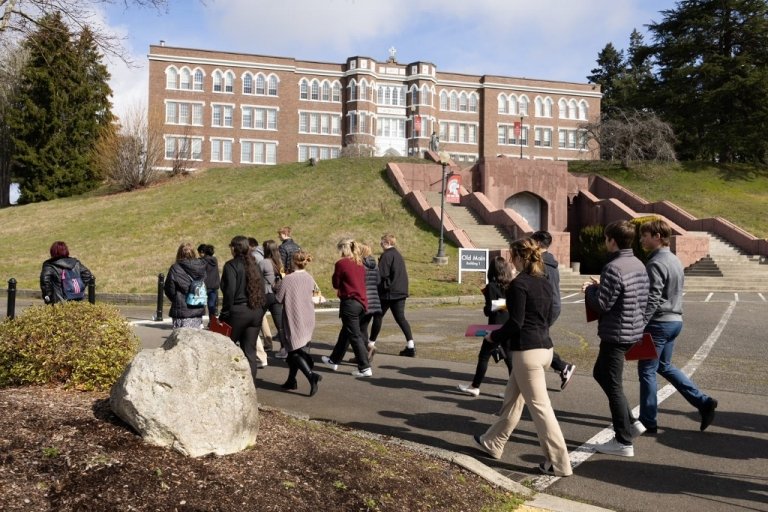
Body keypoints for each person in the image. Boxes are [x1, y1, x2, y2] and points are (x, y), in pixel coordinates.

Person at [473, 239, 572, 477]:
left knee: (541, 409)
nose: (509, 261)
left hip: (526, 353)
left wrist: (492, 338)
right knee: (512, 400)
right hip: (545, 349)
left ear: (518, 258)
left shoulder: (519, 285)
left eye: (511, 256)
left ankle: (559, 463)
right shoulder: (545, 283)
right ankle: (493, 442)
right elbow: (547, 316)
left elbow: (515, 323)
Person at [636, 219, 718, 434]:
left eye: (645, 235)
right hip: (674, 321)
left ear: (657, 236)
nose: (641, 239)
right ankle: (703, 402)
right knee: (664, 366)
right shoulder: (673, 259)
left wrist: (640, 323)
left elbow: (652, 297)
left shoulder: (655, 263)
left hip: (658, 323)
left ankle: (648, 420)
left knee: (647, 371)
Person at [582, 220, 649, 457]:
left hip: (616, 333)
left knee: (613, 384)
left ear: (612, 240)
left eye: (606, 238)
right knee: (600, 373)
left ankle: (623, 440)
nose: (604, 242)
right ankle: (631, 422)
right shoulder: (638, 263)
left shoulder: (613, 267)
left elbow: (602, 304)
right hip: (632, 331)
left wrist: (589, 290)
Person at [457, 256, 514, 397]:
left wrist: (486, 309)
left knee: (484, 356)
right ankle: (514, 391)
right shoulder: (512, 285)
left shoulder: (491, 287)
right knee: (509, 358)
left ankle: (475, 386)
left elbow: (490, 309)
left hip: (495, 327)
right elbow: (512, 304)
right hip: (510, 324)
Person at [531, 231, 577, 390]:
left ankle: (562, 367)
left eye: (531, 242)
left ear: (537, 243)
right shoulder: (550, 262)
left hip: (547, 308)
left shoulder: (541, 263)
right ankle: (561, 367)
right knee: (537, 340)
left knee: (535, 340)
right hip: (552, 306)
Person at [220, 235, 268, 386]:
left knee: (226, 349)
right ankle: (251, 387)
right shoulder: (254, 265)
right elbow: (262, 289)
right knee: (250, 352)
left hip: (237, 312)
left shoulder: (231, 266)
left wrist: (224, 314)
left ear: (234, 248)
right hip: (255, 311)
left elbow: (229, 292)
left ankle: (227, 383)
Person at [321, 238, 372, 377]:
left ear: (343, 248)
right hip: (361, 302)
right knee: (346, 333)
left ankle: (364, 367)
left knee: (355, 336)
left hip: (350, 303)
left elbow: (336, 283)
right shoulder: (360, 263)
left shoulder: (341, 263)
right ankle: (333, 360)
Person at [276, 250, 322, 396]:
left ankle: (311, 376)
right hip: (308, 317)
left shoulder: (288, 279)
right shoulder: (309, 277)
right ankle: (291, 380)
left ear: (293, 262)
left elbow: (278, 298)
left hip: (294, 318)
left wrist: (275, 285)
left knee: (294, 352)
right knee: (297, 351)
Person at [369, 233, 416, 357]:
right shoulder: (398, 255)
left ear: (387, 242)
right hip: (400, 291)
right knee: (401, 318)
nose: (380, 244)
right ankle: (410, 346)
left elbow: (382, 275)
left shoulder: (386, 255)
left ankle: (370, 344)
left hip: (388, 292)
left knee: (378, 317)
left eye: (382, 241)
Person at [164, 242, 207, 329]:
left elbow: (169, 289)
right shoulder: (201, 267)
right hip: (198, 307)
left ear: (179, 253)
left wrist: (175, 299)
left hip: (181, 309)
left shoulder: (175, 268)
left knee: (180, 339)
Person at [260, 239, 286, 358]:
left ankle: (259, 348)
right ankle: (284, 348)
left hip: (265, 294)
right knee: (280, 324)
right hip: (277, 294)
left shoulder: (264, 262)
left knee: (257, 319)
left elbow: (256, 277)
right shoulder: (279, 262)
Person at [358, 243, 382, 362]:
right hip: (375, 300)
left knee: (358, 329)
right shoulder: (375, 265)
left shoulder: (361, 265)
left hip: (365, 300)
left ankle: (368, 348)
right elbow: (378, 281)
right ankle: (363, 355)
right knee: (363, 328)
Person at [197, 244, 221, 321]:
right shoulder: (215, 260)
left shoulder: (202, 261)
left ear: (203, 252)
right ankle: (212, 322)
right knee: (212, 306)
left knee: (201, 304)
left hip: (204, 286)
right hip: (214, 286)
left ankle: (199, 322)